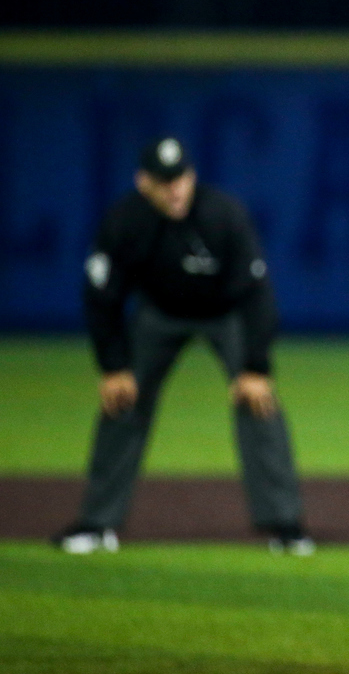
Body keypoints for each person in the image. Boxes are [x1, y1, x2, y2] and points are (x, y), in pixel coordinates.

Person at [54, 137, 313, 555]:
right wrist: (113, 365)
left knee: (258, 399)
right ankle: (97, 523)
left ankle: (286, 525)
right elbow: (101, 297)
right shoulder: (124, 221)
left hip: (225, 313)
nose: (175, 188)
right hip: (159, 316)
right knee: (122, 399)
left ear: (192, 177)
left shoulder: (223, 215)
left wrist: (256, 366)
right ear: (143, 183)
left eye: (181, 178)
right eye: (163, 180)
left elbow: (258, 295)